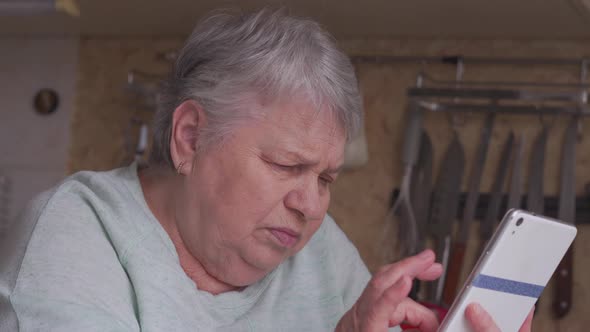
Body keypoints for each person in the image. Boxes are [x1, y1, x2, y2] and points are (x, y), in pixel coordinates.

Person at [0, 9, 533, 332]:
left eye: (326, 178)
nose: (313, 205)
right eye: (285, 165)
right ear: (190, 138)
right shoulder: (77, 231)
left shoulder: (321, 256)